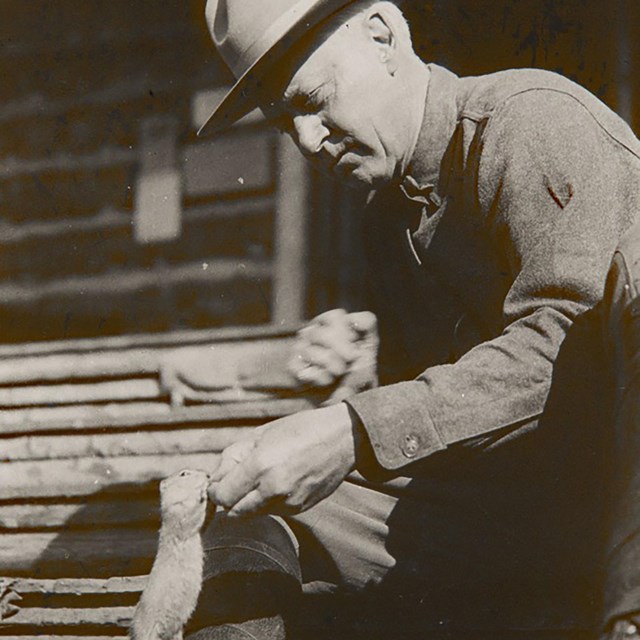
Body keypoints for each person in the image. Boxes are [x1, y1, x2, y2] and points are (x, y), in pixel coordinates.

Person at [184, 1, 640, 638]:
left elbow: (565, 351)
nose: (309, 141)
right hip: (518, 519)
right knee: (250, 508)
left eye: (313, 100)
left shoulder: (531, 123)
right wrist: (364, 375)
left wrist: (353, 430)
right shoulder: (388, 219)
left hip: (619, 528)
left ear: (382, 35)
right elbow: (448, 413)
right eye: (287, 122)